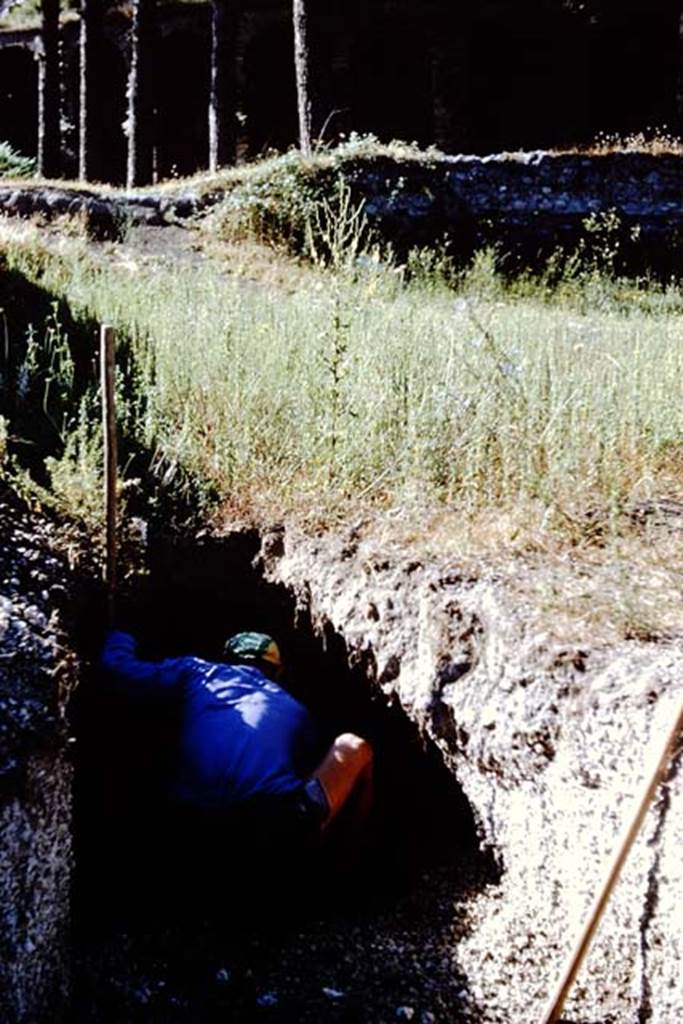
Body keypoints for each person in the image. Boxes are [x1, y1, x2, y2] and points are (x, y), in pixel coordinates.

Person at [100, 628, 374, 863]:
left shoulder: (199, 672)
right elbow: (305, 778)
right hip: (270, 835)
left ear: (225, 658)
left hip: (188, 828)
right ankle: (347, 862)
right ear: (278, 672)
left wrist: (121, 633)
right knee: (352, 745)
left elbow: (117, 667)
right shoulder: (296, 711)